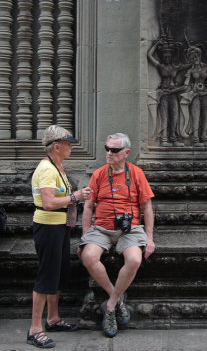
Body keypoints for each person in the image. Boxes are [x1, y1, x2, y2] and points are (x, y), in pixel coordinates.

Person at [78, 133, 155, 338]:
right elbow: (88, 207)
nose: (108, 153)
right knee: (88, 256)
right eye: (107, 148)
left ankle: (110, 305)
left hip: (129, 229)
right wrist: (85, 234)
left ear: (126, 153)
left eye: (114, 150)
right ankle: (118, 299)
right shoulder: (99, 174)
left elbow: (147, 207)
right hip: (101, 228)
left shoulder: (137, 174)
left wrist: (149, 238)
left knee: (134, 259)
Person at [27, 125, 93, 348]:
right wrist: (76, 196)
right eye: (68, 144)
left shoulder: (58, 167)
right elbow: (48, 202)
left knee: (57, 274)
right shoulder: (47, 170)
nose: (71, 148)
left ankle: (53, 318)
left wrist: (74, 200)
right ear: (56, 146)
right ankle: (35, 329)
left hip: (59, 227)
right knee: (46, 276)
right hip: (48, 228)